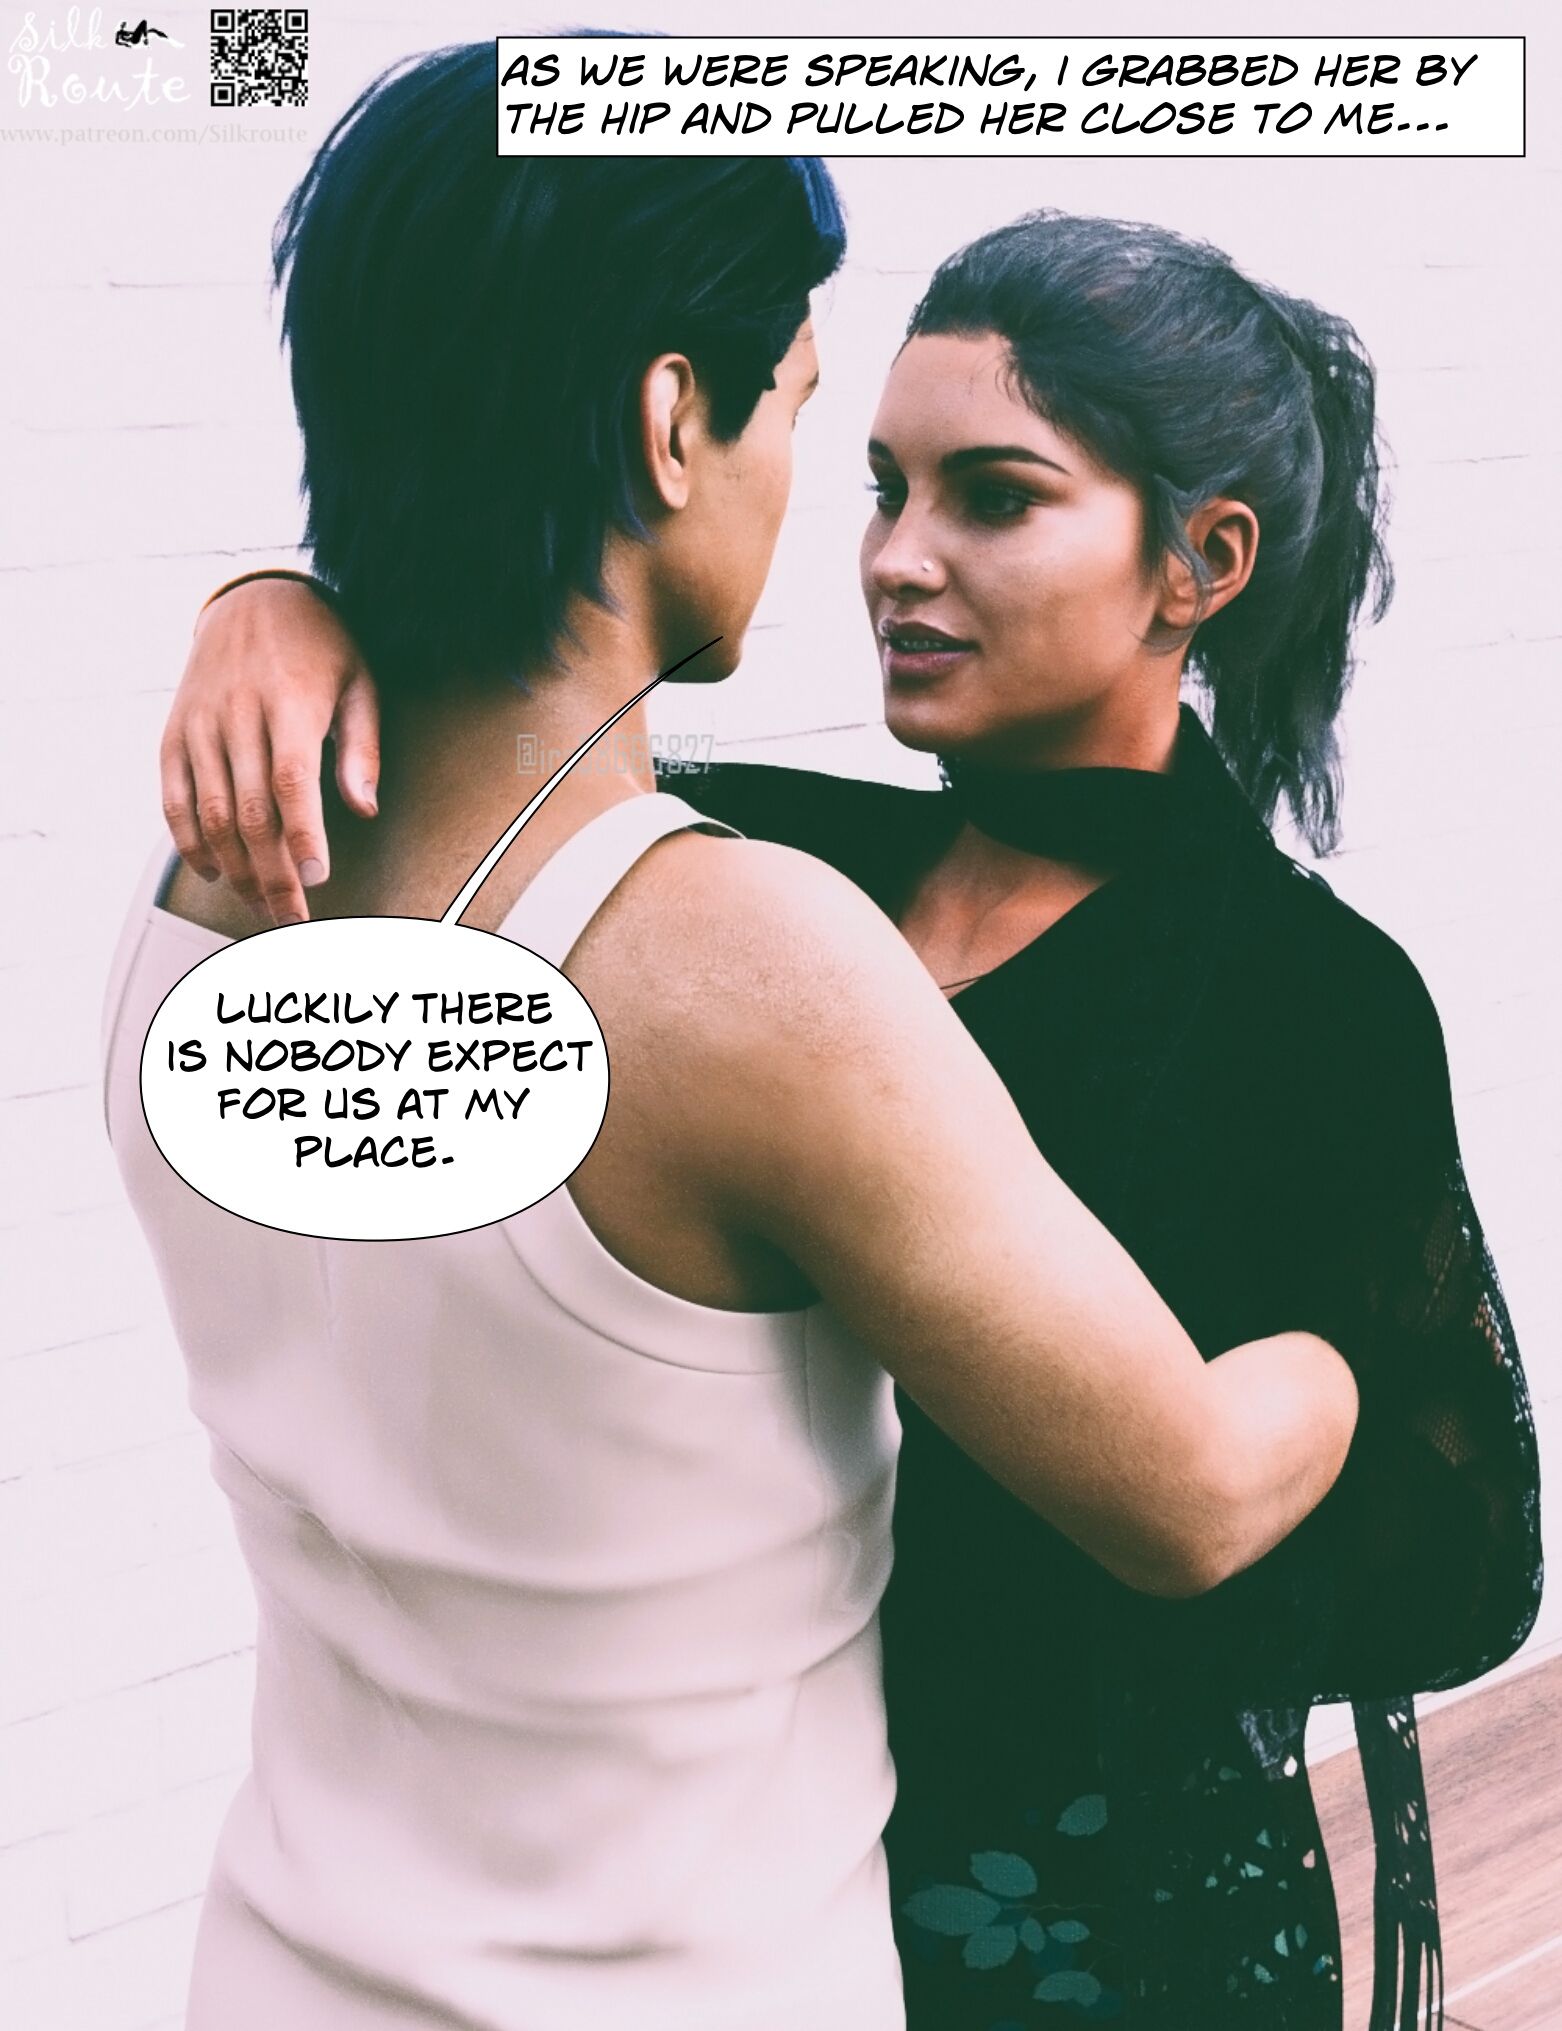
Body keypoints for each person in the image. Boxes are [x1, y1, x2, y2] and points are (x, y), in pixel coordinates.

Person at [173, 202, 1544, 2028]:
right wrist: (279, 611)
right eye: (883, 487)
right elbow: (495, 746)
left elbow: (1455, 1568)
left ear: (1199, 563)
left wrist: (1279, 1414)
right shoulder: (761, 884)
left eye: (994, 498)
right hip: (749, 1918)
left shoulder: (1306, 999)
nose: (897, 559)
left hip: (1103, 1936)